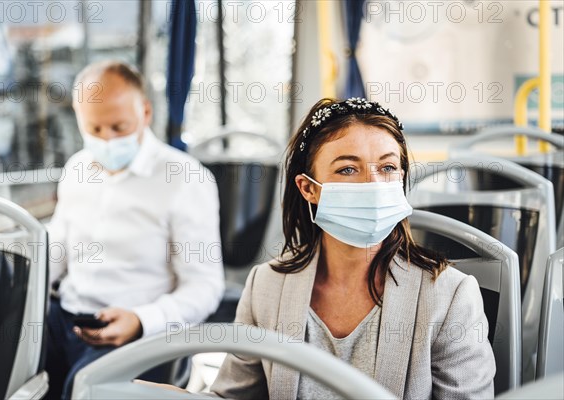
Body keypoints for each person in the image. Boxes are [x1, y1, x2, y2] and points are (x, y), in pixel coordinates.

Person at [206, 98, 496, 399]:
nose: (373, 183)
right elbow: (233, 397)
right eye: (347, 169)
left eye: (387, 167)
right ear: (309, 188)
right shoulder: (266, 286)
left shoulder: (449, 295)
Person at [45, 60, 225, 400]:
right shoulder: (76, 169)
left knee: (82, 389)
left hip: (139, 332)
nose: (107, 140)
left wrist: (142, 320)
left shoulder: (186, 178)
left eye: (119, 127)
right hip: (64, 318)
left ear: (145, 112)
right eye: (95, 130)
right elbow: (58, 252)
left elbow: (204, 285)